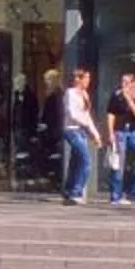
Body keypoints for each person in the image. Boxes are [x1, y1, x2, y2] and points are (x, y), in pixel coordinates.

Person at [106, 70, 135, 205]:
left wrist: (129, 99)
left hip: (132, 130)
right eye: (122, 82)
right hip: (119, 131)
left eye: (127, 82)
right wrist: (110, 132)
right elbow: (110, 115)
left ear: (134, 83)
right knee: (118, 163)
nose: (124, 85)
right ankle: (116, 195)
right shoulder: (116, 96)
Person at [57, 67, 101, 205]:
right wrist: (86, 125)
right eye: (86, 78)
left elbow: (87, 115)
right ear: (78, 80)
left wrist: (95, 134)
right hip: (71, 130)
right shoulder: (70, 93)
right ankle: (76, 192)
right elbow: (72, 114)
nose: (88, 81)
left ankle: (68, 191)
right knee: (86, 160)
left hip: (80, 130)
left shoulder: (84, 95)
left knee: (75, 162)